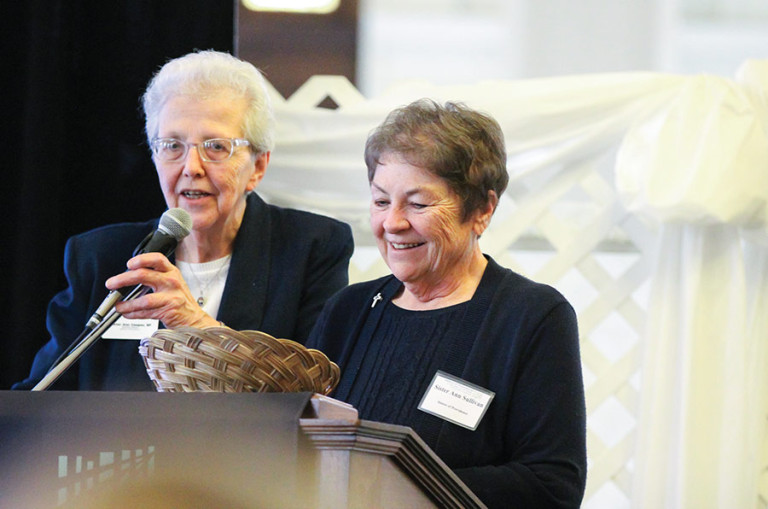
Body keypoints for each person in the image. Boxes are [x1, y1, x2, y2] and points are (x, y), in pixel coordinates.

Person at [14, 50, 353, 391]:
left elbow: (318, 392)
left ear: (258, 167)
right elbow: (40, 398)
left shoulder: (311, 248)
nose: (191, 167)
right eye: (173, 145)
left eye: (216, 147)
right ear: (155, 156)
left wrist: (197, 326)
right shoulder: (101, 257)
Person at [306, 99, 587, 508]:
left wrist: (394, 489)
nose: (393, 223)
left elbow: (552, 486)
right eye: (381, 201)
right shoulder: (347, 311)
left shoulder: (532, 317)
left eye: (418, 204)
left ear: (482, 210)